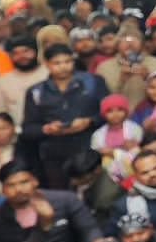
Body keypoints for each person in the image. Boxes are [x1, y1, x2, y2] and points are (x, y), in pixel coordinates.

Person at [21, 44, 107, 189]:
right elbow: (28, 129)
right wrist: (47, 129)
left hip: (89, 150)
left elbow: (109, 113)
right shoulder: (36, 91)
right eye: (57, 63)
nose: (63, 67)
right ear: (46, 64)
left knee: (97, 193)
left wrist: (89, 121)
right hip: (54, 155)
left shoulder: (93, 82)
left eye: (67, 61)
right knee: (62, 195)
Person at [0, 38, 46, 126]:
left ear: (36, 52)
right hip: (17, 131)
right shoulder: (2, 81)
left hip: (52, 129)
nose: (21, 56)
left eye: (26, 51)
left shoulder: (49, 73)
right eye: (15, 53)